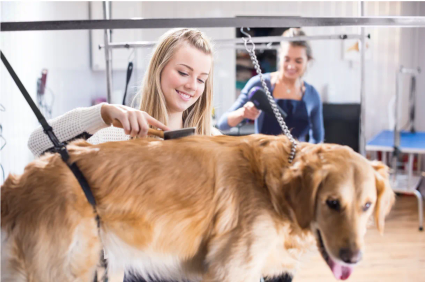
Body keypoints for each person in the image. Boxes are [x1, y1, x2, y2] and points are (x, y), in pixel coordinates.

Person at [27, 28, 219, 282]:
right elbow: (38, 143)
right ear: (158, 68)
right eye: (183, 72)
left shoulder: (214, 142)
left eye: (201, 79)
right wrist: (102, 114)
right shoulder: (118, 136)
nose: (191, 85)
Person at [217, 28, 324, 144]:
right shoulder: (260, 83)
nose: (291, 66)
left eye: (298, 61)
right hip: (264, 159)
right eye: (287, 59)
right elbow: (222, 125)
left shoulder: (312, 94)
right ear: (279, 56)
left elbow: (318, 139)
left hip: (298, 160)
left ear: (308, 60)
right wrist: (243, 113)